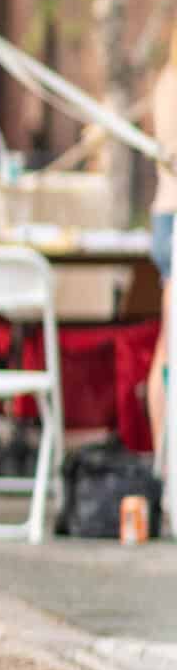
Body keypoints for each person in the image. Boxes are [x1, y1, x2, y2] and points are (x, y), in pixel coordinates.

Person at [149, 28, 175, 456]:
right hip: (173, 220)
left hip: (165, 217)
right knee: (170, 348)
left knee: (167, 347)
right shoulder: (171, 85)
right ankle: (164, 464)